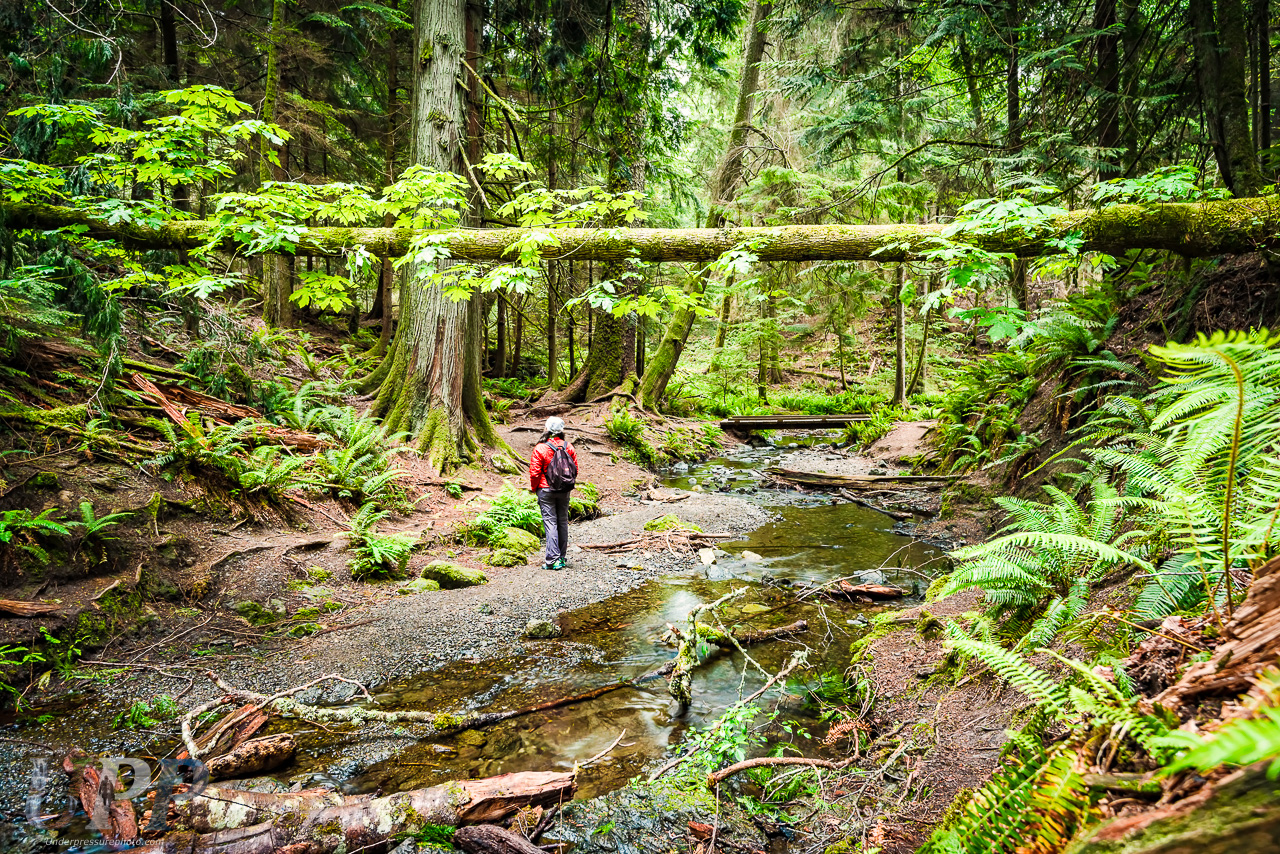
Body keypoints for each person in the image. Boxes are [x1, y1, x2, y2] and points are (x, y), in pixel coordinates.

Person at [528, 416, 579, 570]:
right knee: (562, 522)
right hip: (564, 490)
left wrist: (535, 488)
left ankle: (552, 560)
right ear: (561, 430)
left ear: (547, 429)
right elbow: (574, 470)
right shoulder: (568, 447)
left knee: (550, 523)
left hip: (545, 489)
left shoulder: (540, 448)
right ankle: (561, 558)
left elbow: (535, 473)